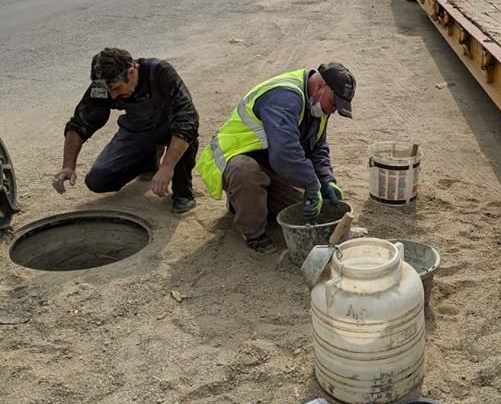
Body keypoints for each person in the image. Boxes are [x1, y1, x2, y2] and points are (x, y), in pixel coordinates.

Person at [197, 62, 356, 254]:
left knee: (302, 211)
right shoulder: (285, 97)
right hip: (235, 157)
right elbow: (285, 153)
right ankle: (253, 232)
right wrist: (312, 184)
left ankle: (244, 202)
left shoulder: (318, 103)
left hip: (268, 162)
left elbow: (318, 148)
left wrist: (326, 180)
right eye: (334, 103)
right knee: (247, 173)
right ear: (320, 86)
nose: (334, 110)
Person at [52, 48, 200, 214]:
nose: (113, 96)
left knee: (186, 134)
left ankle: (183, 192)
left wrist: (167, 166)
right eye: (109, 92)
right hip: (137, 130)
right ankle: (147, 162)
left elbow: (188, 119)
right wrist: (68, 166)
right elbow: (80, 123)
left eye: (116, 89)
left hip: (170, 129)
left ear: (131, 73)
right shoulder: (102, 86)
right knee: (98, 181)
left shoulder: (159, 72)